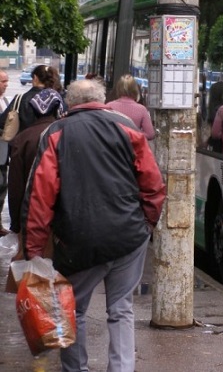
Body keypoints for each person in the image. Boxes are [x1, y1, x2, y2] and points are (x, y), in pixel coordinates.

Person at [21, 79, 166, 372]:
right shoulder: (127, 127)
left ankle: (76, 369)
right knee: (121, 308)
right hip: (129, 236)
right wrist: (146, 225)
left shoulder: (57, 132)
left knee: (73, 309)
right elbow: (153, 184)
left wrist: (33, 249)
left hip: (78, 239)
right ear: (101, 99)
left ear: (69, 103)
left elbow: (40, 195)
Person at [8, 89, 65, 240]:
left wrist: (16, 223)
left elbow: (16, 185)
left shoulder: (23, 138)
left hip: (31, 214)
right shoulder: (66, 133)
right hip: (61, 216)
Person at [0, 64, 62, 134]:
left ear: (35, 78)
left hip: (24, 141)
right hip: (48, 141)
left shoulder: (20, 99)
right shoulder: (56, 98)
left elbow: (2, 122)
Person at [106, 74, 155, 140]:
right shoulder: (142, 109)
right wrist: (134, 135)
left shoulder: (109, 106)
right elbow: (150, 134)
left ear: (118, 88)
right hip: (133, 148)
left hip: (113, 148)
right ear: (135, 89)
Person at [0, 70, 9, 236]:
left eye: (7, 82)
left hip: (3, 153)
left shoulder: (5, 100)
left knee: (2, 188)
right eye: (3, 82)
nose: (6, 85)